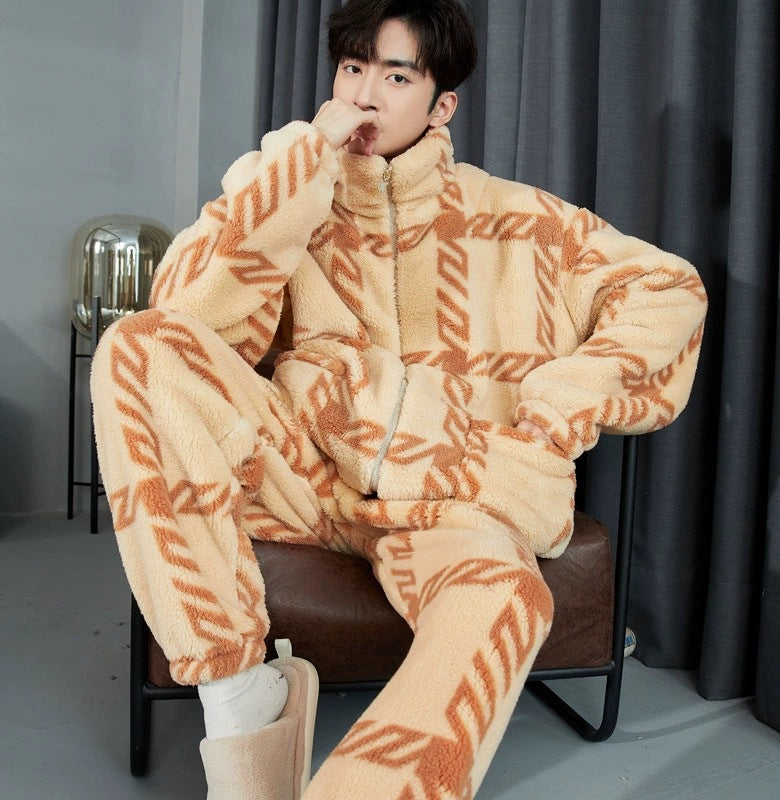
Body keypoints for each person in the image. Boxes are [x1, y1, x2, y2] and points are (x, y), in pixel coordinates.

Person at [90, 1, 708, 798]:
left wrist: (557, 409)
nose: (364, 95)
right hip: (311, 477)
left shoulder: (518, 218)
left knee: (505, 597)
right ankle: (241, 697)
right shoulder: (290, 190)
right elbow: (185, 315)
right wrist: (303, 164)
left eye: (395, 76)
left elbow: (668, 288)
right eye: (353, 69)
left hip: (456, 496)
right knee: (138, 344)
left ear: (441, 104)